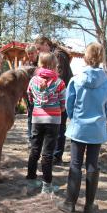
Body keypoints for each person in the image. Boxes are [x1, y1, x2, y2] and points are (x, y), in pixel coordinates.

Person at [57, 42, 107, 213]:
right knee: (92, 164)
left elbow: (69, 104)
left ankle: (69, 204)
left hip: (79, 128)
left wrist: (76, 119)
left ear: (86, 57)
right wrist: (102, 117)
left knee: (75, 164)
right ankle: (89, 205)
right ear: (101, 58)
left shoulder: (76, 80)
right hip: (97, 129)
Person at [26, 52, 66, 194]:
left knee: (34, 149)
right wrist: (59, 109)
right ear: (54, 65)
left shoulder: (33, 80)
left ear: (40, 64)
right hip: (53, 121)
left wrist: (37, 105)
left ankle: (31, 181)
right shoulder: (59, 82)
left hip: (37, 118)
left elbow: (30, 98)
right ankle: (46, 185)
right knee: (48, 153)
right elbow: (63, 102)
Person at [35, 37, 73, 166]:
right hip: (56, 97)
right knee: (54, 129)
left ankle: (56, 156)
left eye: (40, 49)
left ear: (46, 44)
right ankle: (52, 155)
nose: (39, 52)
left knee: (59, 128)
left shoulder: (58, 56)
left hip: (59, 98)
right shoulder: (55, 54)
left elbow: (59, 77)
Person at [23, 45, 39, 144]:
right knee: (30, 117)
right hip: (29, 94)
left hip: (40, 94)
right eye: (28, 53)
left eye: (32, 53)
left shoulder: (41, 63)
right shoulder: (27, 64)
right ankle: (31, 138)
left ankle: (38, 139)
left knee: (38, 117)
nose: (30, 55)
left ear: (36, 52)